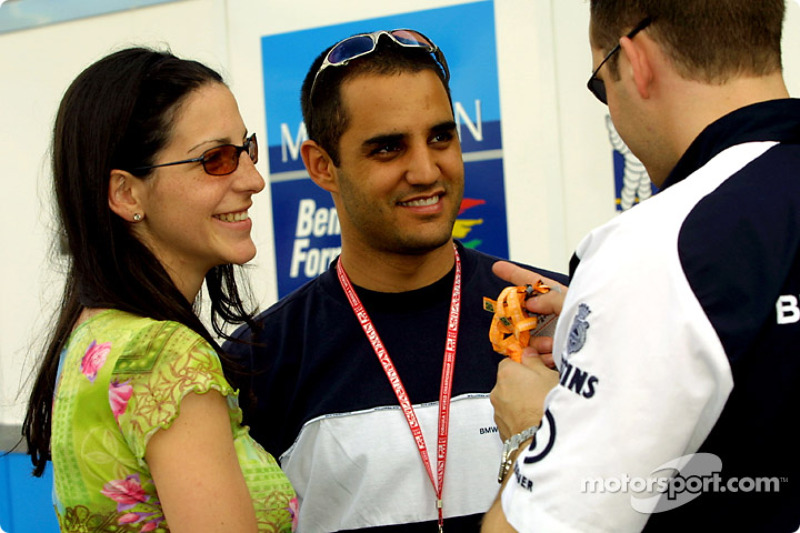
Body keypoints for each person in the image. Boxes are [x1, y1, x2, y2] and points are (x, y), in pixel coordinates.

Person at [224, 30, 568, 532]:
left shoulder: (556, 317)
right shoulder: (258, 362)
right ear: (322, 166)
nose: (427, 171)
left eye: (441, 137)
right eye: (388, 148)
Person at [482, 1, 800, 531]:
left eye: (601, 86)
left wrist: (528, 434)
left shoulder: (659, 248)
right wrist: (611, 322)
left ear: (635, 61)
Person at [22, 47, 297, 532]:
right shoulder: (164, 354)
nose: (253, 179)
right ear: (127, 193)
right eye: (216, 159)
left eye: (245, 149)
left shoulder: (93, 338)